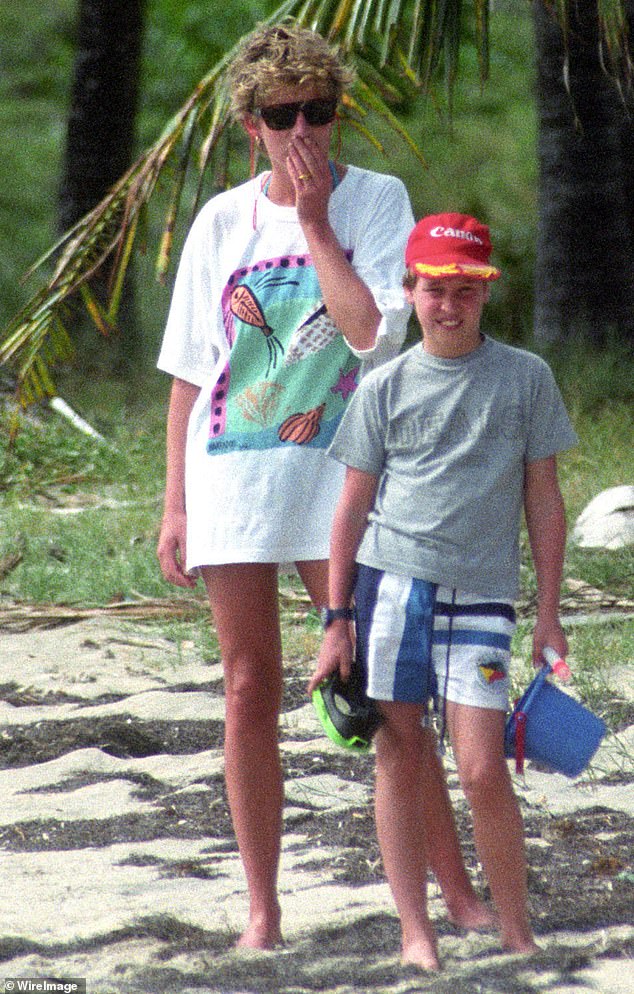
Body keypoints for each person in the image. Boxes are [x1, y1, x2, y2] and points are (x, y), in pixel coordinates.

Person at [157, 26, 489, 949]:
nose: (302, 130)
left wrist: (311, 223)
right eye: (280, 115)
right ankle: (262, 909)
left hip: (340, 479)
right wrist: (175, 504)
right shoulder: (221, 220)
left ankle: (455, 894)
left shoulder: (376, 201)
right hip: (234, 476)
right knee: (247, 685)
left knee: (387, 690)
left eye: (319, 111)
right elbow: (191, 372)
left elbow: (373, 335)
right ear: (250, 125)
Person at [309, 212, 578, 969]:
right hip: (390, 589)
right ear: (409, 291)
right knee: (398, 752)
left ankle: (516, 927)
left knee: (484, 768)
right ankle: (415, 932)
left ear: (486, 292)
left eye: (464, 290)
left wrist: (548, 612)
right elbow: (351, 508)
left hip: (484, 596)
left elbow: (545, 500)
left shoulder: (527, 377)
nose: (449, 305)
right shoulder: (385, 384)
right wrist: (337, 619)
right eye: (434, 290)